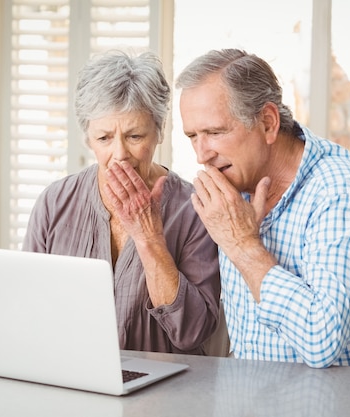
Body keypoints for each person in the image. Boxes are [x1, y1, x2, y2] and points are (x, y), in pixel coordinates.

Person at [175, 48, 350, 368]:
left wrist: (243, 246)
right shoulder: (233, 188)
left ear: (268, 123)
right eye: (193, 136)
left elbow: (320, 341)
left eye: (215, 132)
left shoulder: (340, 192)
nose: (202, 155)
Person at [23, 50, 221, 355]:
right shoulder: (54, 203)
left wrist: (149, 239)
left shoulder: (195, 209)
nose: (119, 154)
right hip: (71, 382)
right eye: (104, 138)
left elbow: (192, 332)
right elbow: (29, 312)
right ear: (88, 139)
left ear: (159, 131)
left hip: (165, 392)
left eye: (134, 136)